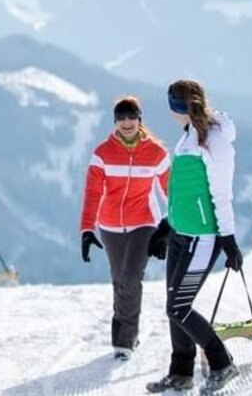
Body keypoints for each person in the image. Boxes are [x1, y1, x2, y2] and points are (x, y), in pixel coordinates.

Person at [145, 80, 242, 394]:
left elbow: (221, 195)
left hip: (202, 237)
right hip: (181, 234)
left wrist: (228, 239)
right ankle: (181, 373)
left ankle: (222, 363)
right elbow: (183, 190)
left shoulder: (215, 139)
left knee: (178, 306)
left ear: (177, 106)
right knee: (174, 306)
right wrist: (166, 225)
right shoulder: (188, 134)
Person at [79, 96, 170, 360]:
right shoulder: (103, 154)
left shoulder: (156, 153)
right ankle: (128, 333)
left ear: (140, 120)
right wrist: (87, 229)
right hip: (110, 225)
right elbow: (93, 193)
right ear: (115, 121)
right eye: (121, 118)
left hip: (144, 222)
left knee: (130, 278)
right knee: (119, 279)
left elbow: (172, 192)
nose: (127, 122)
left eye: (131, 117)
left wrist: (169, 226)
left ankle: (123, 342)